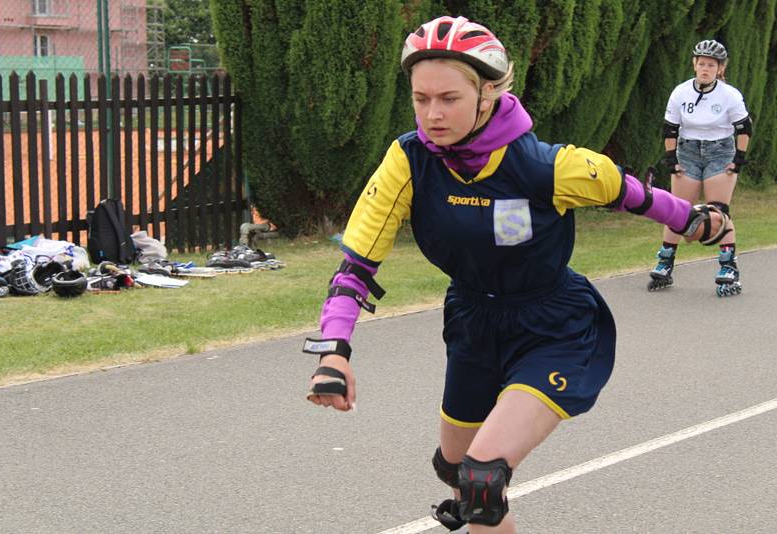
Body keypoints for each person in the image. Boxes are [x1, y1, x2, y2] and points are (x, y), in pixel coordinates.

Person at [302, 16, 727, 533]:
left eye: (449, 98)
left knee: (482, 480)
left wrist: (695, 220)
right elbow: (358, 262)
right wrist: (333, 351)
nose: (432, 115)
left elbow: (628, 192)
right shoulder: (409, 160)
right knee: (456, 471)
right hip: (473, 321)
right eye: (420, 98)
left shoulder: (546, 166)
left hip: (553, 324)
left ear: (488, 93)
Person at [650, 39, 752, 296]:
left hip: (720, 151)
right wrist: (671, 159)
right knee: (677, 211)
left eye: (711, 65)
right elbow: (670, 128)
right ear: (694, 65)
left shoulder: (730, 95)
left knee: (718, 211)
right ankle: (665, 262)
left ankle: (728, 267)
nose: (705, 68)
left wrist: (739, 158)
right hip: (688, 152)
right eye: (702, 63)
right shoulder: (680, 92)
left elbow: (743, 128)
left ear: (720, 68)